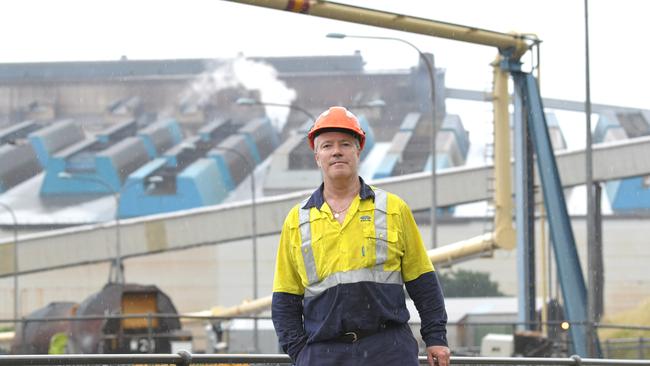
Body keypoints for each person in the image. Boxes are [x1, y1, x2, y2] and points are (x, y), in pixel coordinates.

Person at [271, 106, 450, 366]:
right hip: (323, 353)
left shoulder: (392, 209)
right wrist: (302, 353)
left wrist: (436, 337)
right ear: (316, 156)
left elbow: (422, 282)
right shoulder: (297, 221)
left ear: (358, 150)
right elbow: (285, 300)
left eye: (345, 144)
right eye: (327, 146)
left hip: (388, 349)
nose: (336, 151)